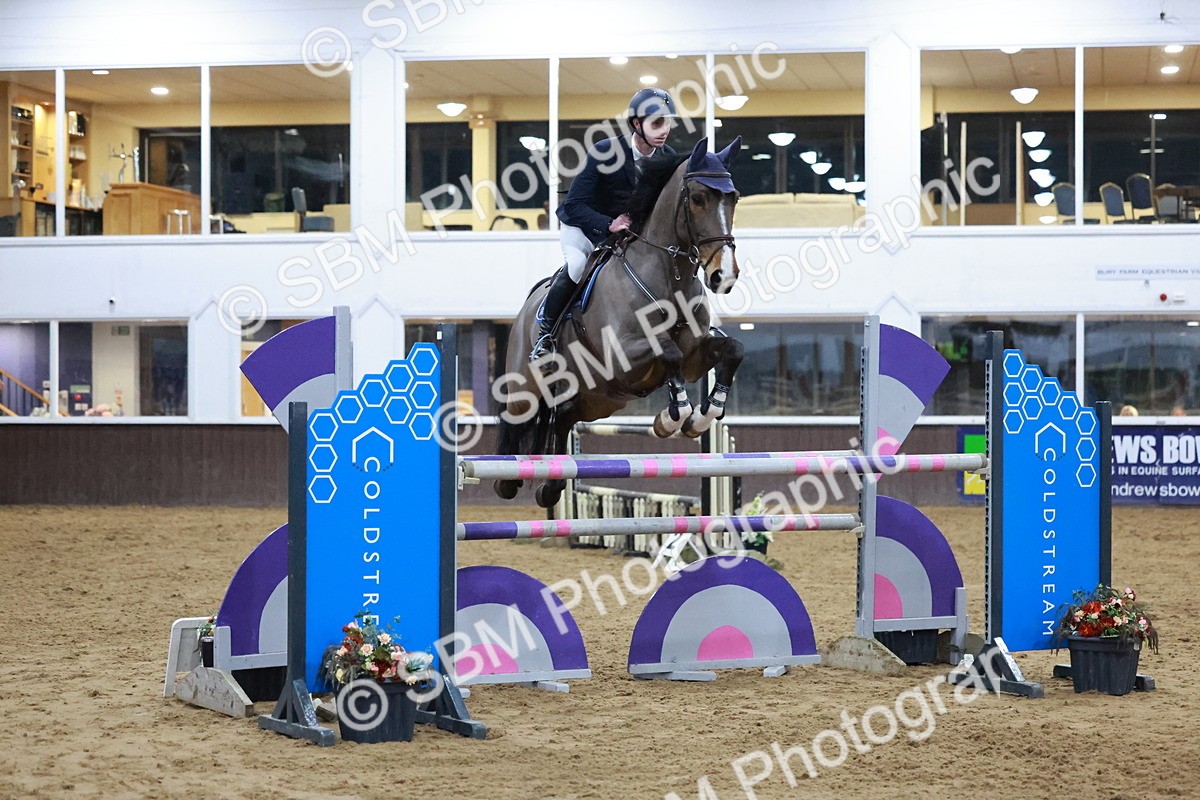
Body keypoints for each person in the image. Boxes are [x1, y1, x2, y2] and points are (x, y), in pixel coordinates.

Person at [529, 87, 679, 363]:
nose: (664, 129)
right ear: (637, 124)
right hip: (585, 228)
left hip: (625, 236)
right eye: (657, 123)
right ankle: (545, 336)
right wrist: (608, 224)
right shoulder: (605, 151)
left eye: (667, 121)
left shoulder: (667, 158)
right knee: (576, 267)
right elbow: (574, 205)